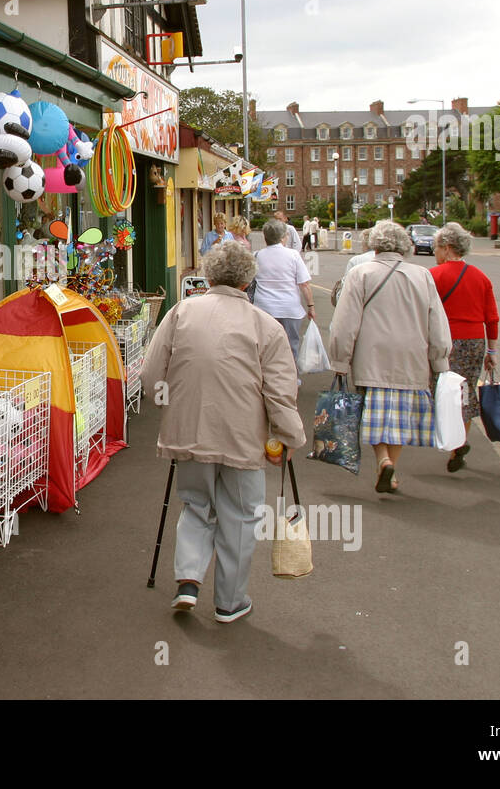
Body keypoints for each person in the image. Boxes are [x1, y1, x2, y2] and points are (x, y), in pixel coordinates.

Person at [141, 240, 306, 623]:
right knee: (241, 515)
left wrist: (170, 403)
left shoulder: (182, 312)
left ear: (209, 276)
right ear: (249, 281)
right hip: (243, 438)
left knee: (196, 504)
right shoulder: (266, 326)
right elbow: (280, 392)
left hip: (190, 430)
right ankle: (229, 602)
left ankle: (187, 581)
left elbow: (151, 374)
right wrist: (290, 437)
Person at [329, 220, 452, 495]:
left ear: (374, 244)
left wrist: (339, 360)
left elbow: (344, 323)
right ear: (405, 246)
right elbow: (437, 323)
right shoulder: (423, 276)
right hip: (412, 357)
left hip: (370, 357)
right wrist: (440, 360)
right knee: (399, 417)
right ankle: (390, 469)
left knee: (373, 413)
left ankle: (382, 459)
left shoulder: (361, 274)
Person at [430, 222, 499, 473]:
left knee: (440, 390)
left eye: (437, 247)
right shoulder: (481, 277)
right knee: (465, 391)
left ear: (447, 248)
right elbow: (492, 318)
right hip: (474, 342)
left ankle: (447, 437)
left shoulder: (434, 276)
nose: (435, 252)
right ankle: (459, 443)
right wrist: (491, 351)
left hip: (445, 341)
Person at [253, 219, 316, 366]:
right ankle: (291, 378)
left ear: (265, 237)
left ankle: (266, 378)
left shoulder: (257, 255)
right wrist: (311, 306)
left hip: (264, 309)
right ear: (283, 237)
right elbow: (304, 284)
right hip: (290, 309)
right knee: (290, 345)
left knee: (265, 347)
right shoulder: (293, 255)